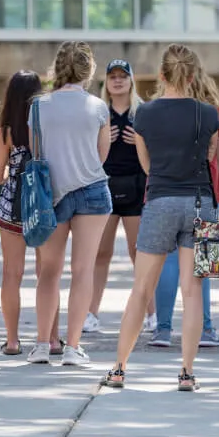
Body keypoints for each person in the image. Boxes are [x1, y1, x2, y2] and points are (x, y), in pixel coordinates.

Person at [101, 45, 219, 392]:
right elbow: (209, 158)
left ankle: (119, 368)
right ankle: (187, 372)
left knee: (141, 289)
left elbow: (147, 166)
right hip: (204, 204)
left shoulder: (145, 114)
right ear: (194, 75)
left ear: (163, 75)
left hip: (160, 201)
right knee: (194, 291)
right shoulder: (210, 114)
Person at [27, 41, 112, 367]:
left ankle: (41, 345)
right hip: (91, 189)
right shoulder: (97, 107)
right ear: (89, 69)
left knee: (48, 272)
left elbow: (37, 153)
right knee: (83, 270)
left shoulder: (38, 106)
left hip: (51, 194)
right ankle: (73, 346)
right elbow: (102, 155)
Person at [150, 69, 219, 349]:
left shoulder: (158, 110)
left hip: (165, 191)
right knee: (204, 264)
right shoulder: (213, 112)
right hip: (206, 193)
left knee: (167, 261)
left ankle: (162, 330)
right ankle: (205, 328)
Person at [0, 70, 63, 356]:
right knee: (48, 273)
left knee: (11, 274)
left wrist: (11, 169)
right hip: (44, 204)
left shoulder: (6, 131)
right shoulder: (47, 127)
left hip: (13, 206)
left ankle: (11, 340)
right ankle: (53, 339)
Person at [85, 59, 155, 335]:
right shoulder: (99, 112)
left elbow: (154, 151)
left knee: (139, 253)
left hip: (136, 189)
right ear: (106, 82)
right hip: (105, 187)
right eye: (112, 76)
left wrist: (137, 141)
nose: (117, 81)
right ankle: (91, 313)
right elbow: (86, 151)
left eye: (122, 76)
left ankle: (151, 315)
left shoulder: (143, 112)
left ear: (131, 80)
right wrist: (103, 140)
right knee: (100, 253)